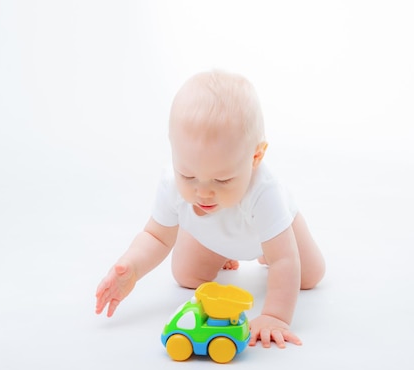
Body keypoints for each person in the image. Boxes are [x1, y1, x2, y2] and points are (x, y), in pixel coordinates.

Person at [95, 70, 325, 348]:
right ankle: (222, 250)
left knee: (309, 276)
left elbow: (284, 260)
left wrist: (275, 316)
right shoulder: (171, 183)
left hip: (275, 233)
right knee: (186, 276)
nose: (202, 192)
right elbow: (156, 237)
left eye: (222, 179)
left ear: (255, 157)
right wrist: (131, 267)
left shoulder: (265, 192)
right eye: (188, 176)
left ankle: (264, 249)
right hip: (214, 234)